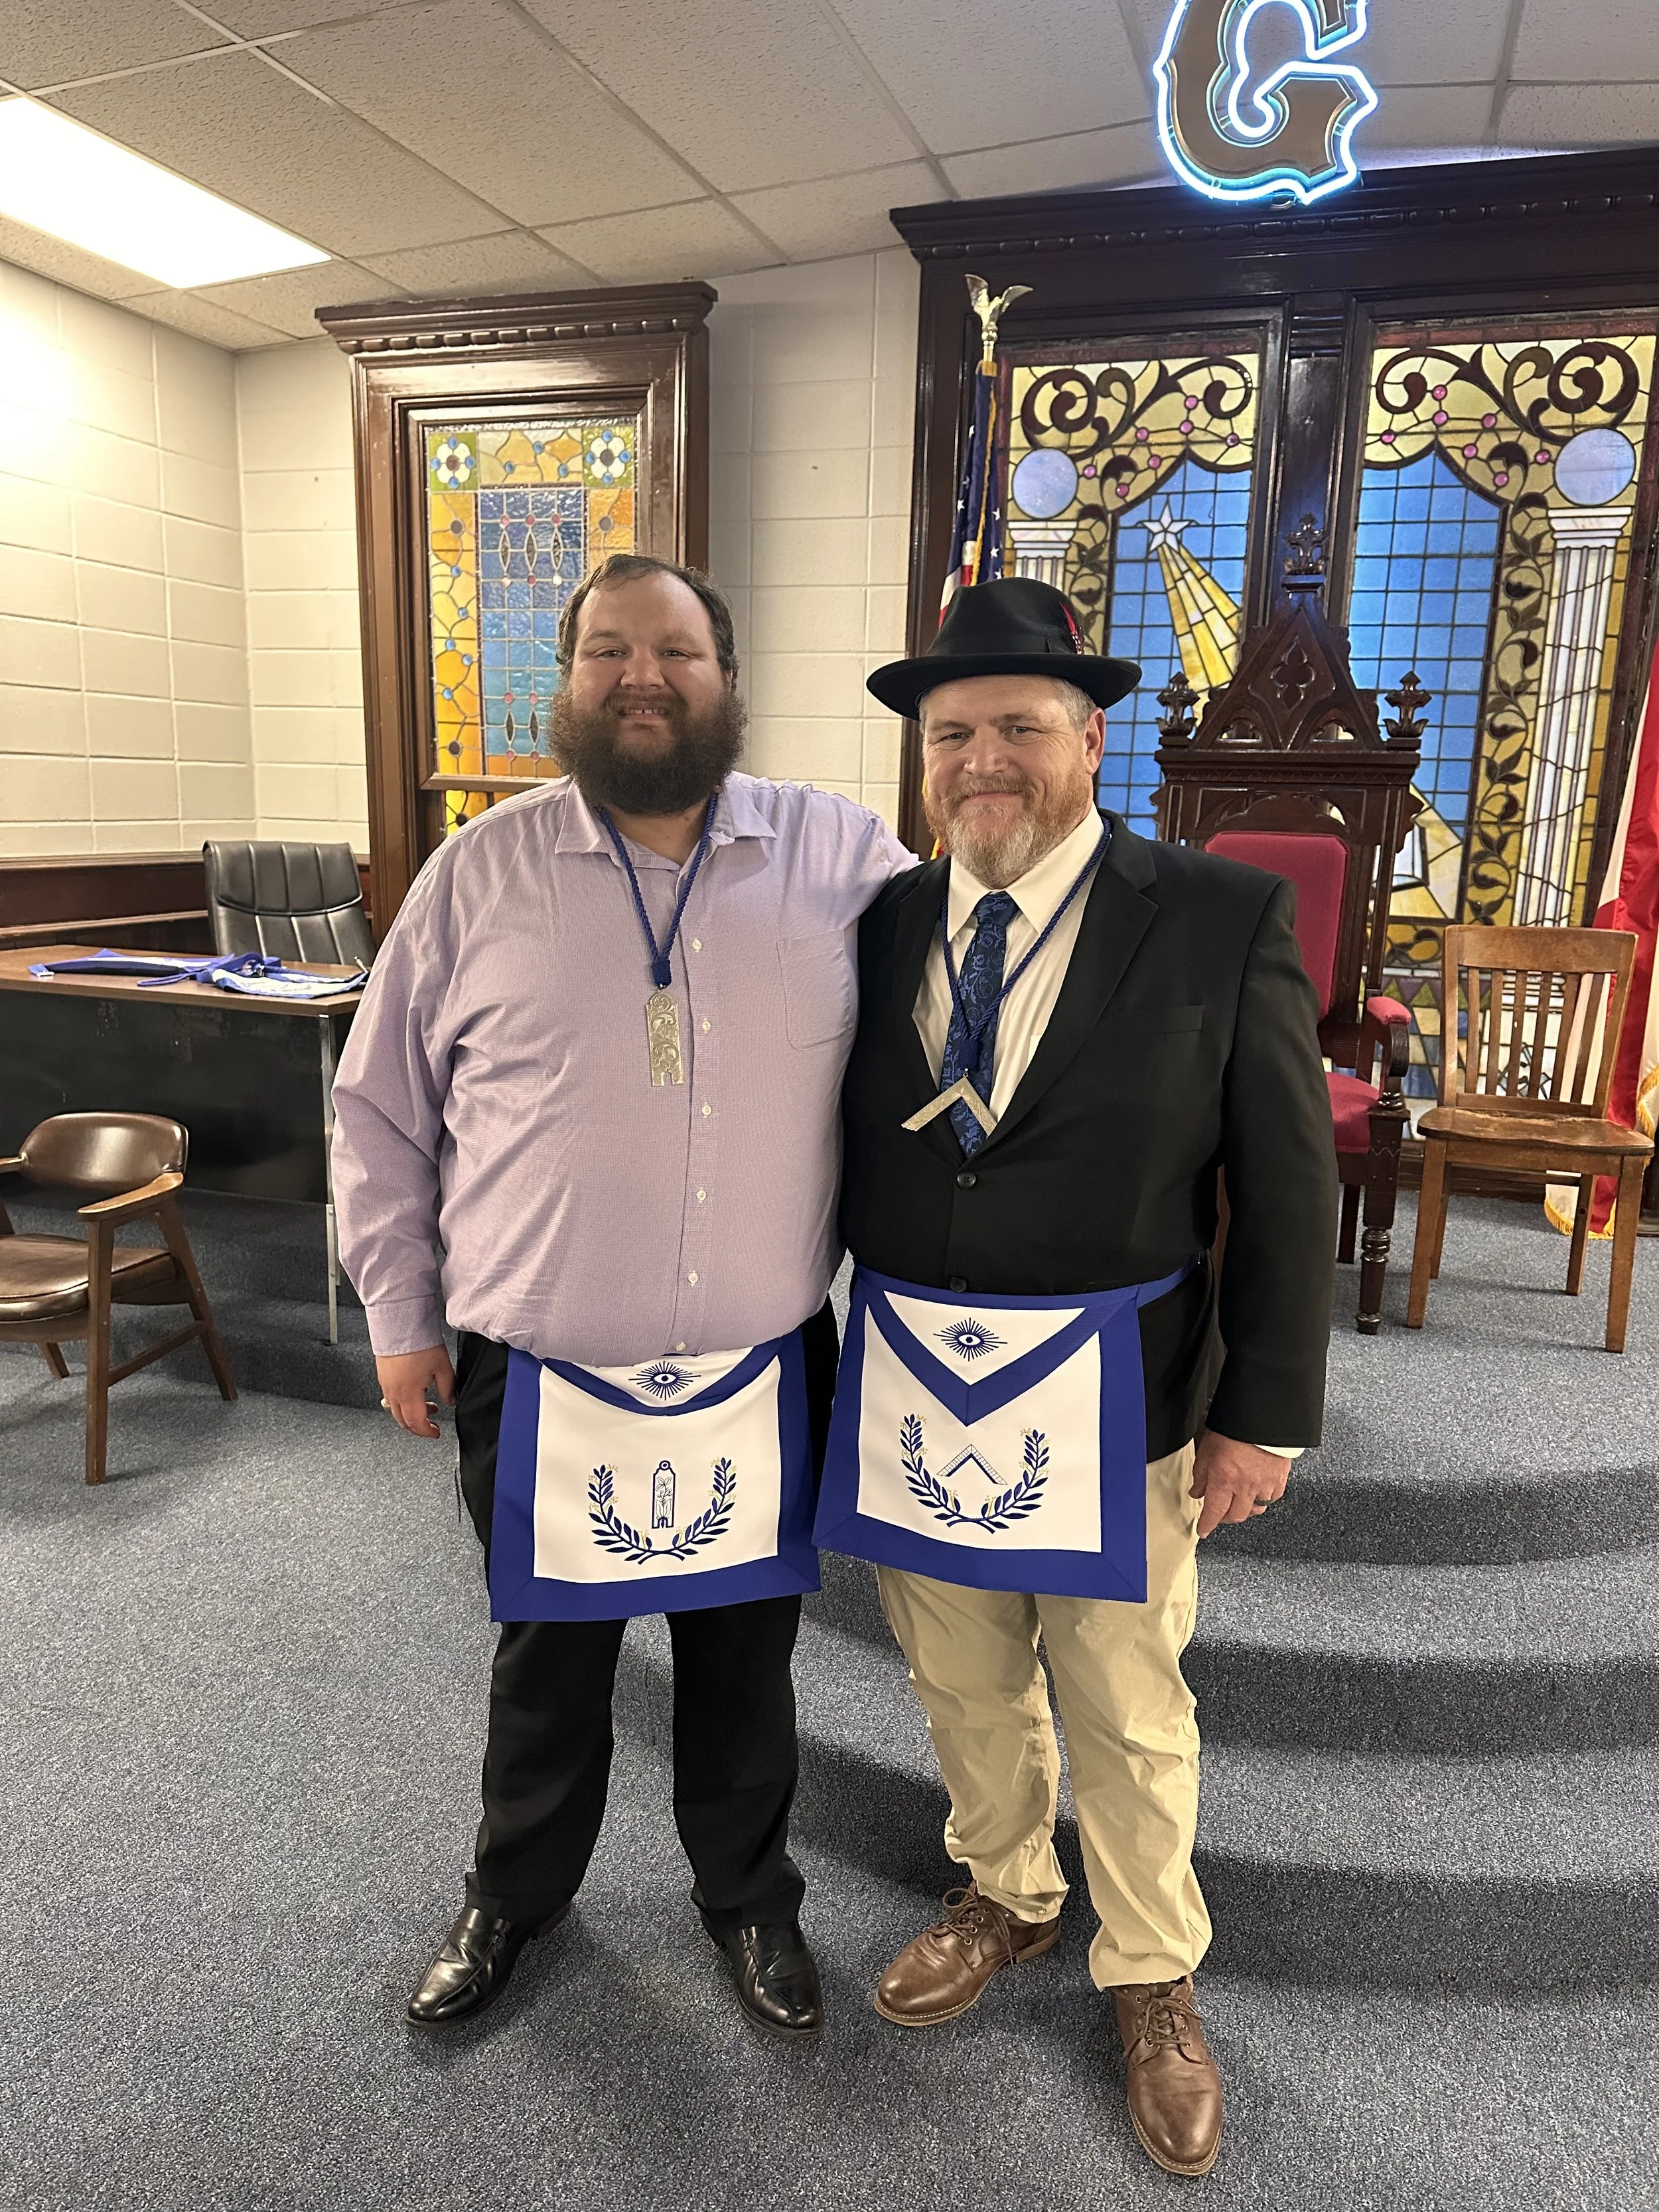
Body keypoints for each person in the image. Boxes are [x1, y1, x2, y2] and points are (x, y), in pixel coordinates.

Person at [331, 552, 910, 2037]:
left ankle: (748, 1899)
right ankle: (516, 1894)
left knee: (742, 1664)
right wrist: (401, 1316)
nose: (641, 676)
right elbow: (379, 1111)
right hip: (537, 1372)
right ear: (566, 681)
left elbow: (988, 965)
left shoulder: (835, 855)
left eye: (675, 651)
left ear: (728, 679)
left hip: (760, 1366)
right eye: (607, 651)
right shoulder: (476, 874)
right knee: (549, 1664)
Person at [824, 576, 1334, 2175]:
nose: (983, 758)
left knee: (1124, 1699)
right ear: (922, 758)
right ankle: (1007, 1892)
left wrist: (1261, 1408)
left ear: (1088, 739)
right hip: (919, 1382)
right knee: (960, 1675)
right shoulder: (884, 921)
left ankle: (1151, 1969)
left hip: (1119, 1387)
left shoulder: (1213, 914)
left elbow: (1290, 1178)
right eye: (951, 733)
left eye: (1018, 727)